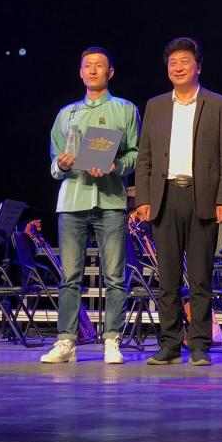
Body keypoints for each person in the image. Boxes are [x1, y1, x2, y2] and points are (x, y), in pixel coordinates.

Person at [134, 37, 222, 366]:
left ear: (198, 67)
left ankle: (199, 344)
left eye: (185, 61)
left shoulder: (218, 104)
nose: (178, 67)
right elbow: (145, 157)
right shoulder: (156, 105)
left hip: (201, 197)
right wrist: (143, 198)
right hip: (164, 197)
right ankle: (169, 343)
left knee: (200, 278)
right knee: (167, 278)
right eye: (173, 62)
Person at [41, 46, 140, 364]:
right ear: (80, 72)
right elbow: (54, 165)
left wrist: (116, 166)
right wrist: (63, 165)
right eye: (88, 65)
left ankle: (112, 339)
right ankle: (66, 341)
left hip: (110, 201)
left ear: (111, 72)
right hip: (73, 201)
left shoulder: (125, 109)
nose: (93, 70)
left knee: (114, 276)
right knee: (70, 276)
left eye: (99, 66)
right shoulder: (66, 114)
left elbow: (137, 153)